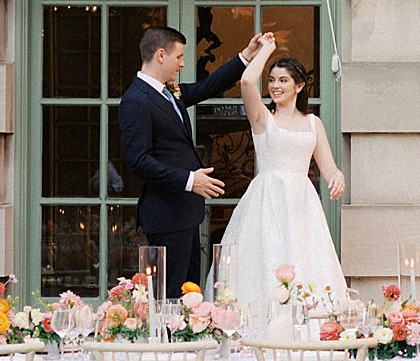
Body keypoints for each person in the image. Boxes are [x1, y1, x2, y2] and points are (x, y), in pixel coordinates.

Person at [119, 24, 269, 296]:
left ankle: (186, 338)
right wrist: (190, 179)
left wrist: (245, 56)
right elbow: (138, 160)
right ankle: (167, 340)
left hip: (185, 214)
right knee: (168, 297)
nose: (183, 63)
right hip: (164, 215)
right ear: (161, 55)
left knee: (189, 295)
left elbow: (207, 86)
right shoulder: (136, 100)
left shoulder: (169, 92)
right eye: (179, 57)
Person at [215, 33, 348, 318]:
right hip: (267, 202)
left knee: (304, 261)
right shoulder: (264, 119)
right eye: (273, 80)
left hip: (301, 206)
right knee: (265, 260)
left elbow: (329, 167)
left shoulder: (313, 123)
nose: (275, 86)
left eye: (283, 80)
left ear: (299, 86)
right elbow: (248, 82)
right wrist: (266, 50)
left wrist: (338, 177)